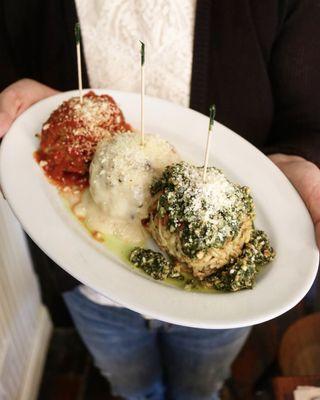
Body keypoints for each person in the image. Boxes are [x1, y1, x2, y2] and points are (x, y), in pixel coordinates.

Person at [0, 1, 319, 399]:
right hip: (89, 287)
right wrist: (19, 107)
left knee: (200, 389)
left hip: (219, 313)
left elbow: (309, 121)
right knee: (132, 387)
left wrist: (297, 160)